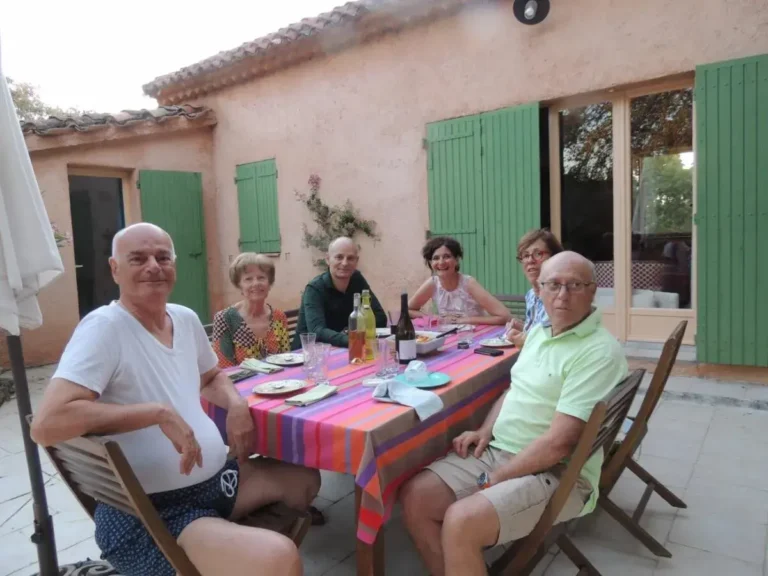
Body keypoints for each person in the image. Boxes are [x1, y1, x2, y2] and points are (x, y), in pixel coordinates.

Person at [31, 223, 320, 576]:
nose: (153, 265)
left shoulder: (183, 319)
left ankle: (225, 550)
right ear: (114, 269)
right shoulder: (105, 328)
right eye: (138, 258)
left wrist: (238, 404)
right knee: (278, 557)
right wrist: (156, 413)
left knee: (306, 479)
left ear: (174, 266)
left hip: (217, 486)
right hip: (159, 513)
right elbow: (47, 424)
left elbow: (212, 377)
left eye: (162, 257)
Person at [399, 251, 628, 576]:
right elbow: (513, 390)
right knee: (414, 497)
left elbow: (559, 444)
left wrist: (497, 479)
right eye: (554, 285)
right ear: (539, 290)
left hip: (557, 473)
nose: (562, 295)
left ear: (593, 291)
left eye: (575, 285)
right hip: (499, 450)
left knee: (461, 522)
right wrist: (485, 431)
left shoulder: (598, 352)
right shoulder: (539, 333)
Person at [292, 237, 387, 349]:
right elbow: (317, 331)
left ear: (357, 261)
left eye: (350, 258)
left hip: (343, 349)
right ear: (328, 259)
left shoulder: (357, 280)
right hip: (307, 356)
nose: (345, 263)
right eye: (339, 257)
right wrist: (352, 338)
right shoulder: (315, 289)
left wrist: (348, 331)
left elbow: (380, 318)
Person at [408, 236, 510, 325]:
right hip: (446, 338)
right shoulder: (432, 283)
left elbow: (504, 316)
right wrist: (434, 318)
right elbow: (407, 310)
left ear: (456, 260)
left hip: (474, 337)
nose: (441, 262)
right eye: (435, 258)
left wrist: (463, 320)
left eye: (447, 256)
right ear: (430, 263)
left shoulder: (468, 284)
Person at [212, 253, 290, 367]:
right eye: (248, 279)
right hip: (240, 384)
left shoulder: (279, 317)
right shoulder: (225, 319)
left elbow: (286, 360)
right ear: (239, 286)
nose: (256, 283)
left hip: (278, 383)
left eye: (261, 278)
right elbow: (225, 369)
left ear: (269, 284)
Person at [504, 228, 563, 348]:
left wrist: (526, 339)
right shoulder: (531, 295)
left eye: (538, 254)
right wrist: (523, 327)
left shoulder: (561, 296)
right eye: (525, 255)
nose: (530, 260)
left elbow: (557, 341)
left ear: (554, 257)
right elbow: (540, 330)